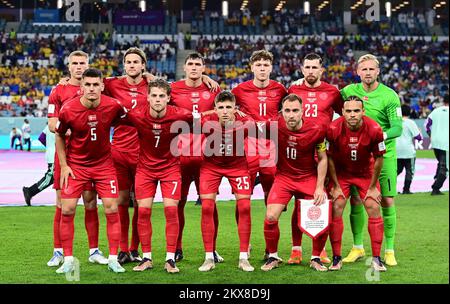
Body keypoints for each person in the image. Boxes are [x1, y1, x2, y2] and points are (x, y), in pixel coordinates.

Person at [54, 68, 126, 274]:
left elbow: (129, 121)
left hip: (104, 166)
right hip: (76, 166)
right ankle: (68, 260)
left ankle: (113, 258)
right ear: (81, 87)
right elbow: (59, 135)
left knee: (112, 208)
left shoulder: (113, 106)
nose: (92, 88)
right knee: (67, 209)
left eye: (96, 85)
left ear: (102, 86)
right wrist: (65, 165)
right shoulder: (68, 109)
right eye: (88, 84)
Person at [125, 79, 195, 274]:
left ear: (168, 98)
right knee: (144, 211)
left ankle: (170, 259)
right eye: (154, 95)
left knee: (171, 211)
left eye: (161, 96)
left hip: (170, 169)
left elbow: (204, 120)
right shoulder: (136, 114)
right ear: (147, 97)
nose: (157, 100)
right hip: (145, 169)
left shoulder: (181, 115)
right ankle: (146, 257)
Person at [341, 54, 403, 266]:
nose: (367, 73)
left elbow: (397, 127)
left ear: (378, 72)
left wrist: (378, 137)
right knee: (356, 200)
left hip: (384, 155)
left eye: (371, 69)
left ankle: (389, 250)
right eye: (363, 69)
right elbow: (328, 100)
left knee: (385, 200)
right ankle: (358, 247)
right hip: (357, 157)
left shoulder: (390, 96)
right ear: (357, 72)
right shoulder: (349, 91)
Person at [47, 51, 107, 269]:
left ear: (88, 65)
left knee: (90, 202)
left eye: (83, 63)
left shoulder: (97, 85)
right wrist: (73, 126)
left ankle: (94, 250)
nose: (79, 67)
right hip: (65, 155)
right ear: (69, 66)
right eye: (75, 63)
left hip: (91, 156)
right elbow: (53, 124)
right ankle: (58, 251)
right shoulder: (59, 90)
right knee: (62, 204)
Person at [287, 52, 344, 265]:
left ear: (322, 70)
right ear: (302, 69)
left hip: (323, 153)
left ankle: (319, 251)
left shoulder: (332, 92)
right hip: (299, 154)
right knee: (298, 202)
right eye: (307, 67)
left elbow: (345, 114)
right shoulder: (293, 89)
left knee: (322, 201)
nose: (311, 71)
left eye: (314, 67)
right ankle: (296, 249)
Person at [261, 94, 328, 272]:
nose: (291, 115)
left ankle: (315, 258)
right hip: (284, 177)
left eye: (295, 111)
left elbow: (322, 159)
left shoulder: (316, 129)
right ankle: (273, 257)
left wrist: (320, 187)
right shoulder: (273, 124)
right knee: (270, 217)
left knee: (320, 216)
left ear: (302, 111)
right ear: (282, 112)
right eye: (287, 111)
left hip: (308, 177)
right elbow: (249, 128)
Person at [169, 52, 222, 263]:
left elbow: (224, 112)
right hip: (179, 156)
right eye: (190, 64)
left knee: (210, 205)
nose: (193, 67)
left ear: (203, 67)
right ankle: (177, 248)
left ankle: (213, 250)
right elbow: (150, 88)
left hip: (206, 158)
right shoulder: (172, 89)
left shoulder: (213, 89)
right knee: (177, 204)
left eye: (197, 64)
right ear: (184, 67)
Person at [327, 96, 387, 272]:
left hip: (365, 174)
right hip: (342, 174)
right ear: (343, 112)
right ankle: (336, 258)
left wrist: (373, 186)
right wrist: (336, 185)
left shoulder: (375, 129)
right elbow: (328, 158)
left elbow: (378, 158)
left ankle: (377, 259)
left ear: (363, 111)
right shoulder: (332, 128)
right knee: (337, 207)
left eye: (356, 111)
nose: (352, 114)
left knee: (373, 207)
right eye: (348, 111)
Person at [198, 91, 255, 272]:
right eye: (220, 107)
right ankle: (208, 257)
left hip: (238, 166)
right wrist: (207, 113)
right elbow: (193, 116)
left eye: (228, 107)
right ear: (215, 109)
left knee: (245, 207)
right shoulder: (206, 122)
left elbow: (253, 121)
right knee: (207, 207)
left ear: (234, 109)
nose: (224, 111)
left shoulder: (245, 124)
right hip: (211, 167)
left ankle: (244, 258)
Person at [102, 47, 148, 265]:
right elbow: (86, 83)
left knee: (141, 203)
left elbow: (174, 90)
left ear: (143, 66)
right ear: (124, 65)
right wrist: (66, 80)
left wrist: (203, 76)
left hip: (143, 153)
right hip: (118, 151)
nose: (132, 65)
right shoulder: (112, 84)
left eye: (136, 62)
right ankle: (122, 250)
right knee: (120, 200)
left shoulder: (152, 85)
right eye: (128, 62)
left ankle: (134, 248)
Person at [22, 124, 55, 206]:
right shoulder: (62, 124)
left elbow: (41, 138)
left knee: (54, 177)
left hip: (51, 154)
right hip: (55, 156)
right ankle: (30, 191)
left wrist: (49, 147)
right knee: (50, 178)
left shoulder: (49, 125)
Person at [425, 94, 449, 195]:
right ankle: (436, 188)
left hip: (435, 142)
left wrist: (431, 135)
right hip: (446, 142)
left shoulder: (436, 111)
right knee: (445, 167)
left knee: (441, 163)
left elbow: (427, 125)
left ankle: (436, 180)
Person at [396, 104, 423, 194]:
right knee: (409, 171)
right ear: (409, 112)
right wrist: (419, 131)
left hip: (396, 150)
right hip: (408, 151)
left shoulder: (395, 121)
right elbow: (419, 137)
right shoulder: (410, 122)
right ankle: (406, 189)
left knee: (396, 171)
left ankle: (390, 188)